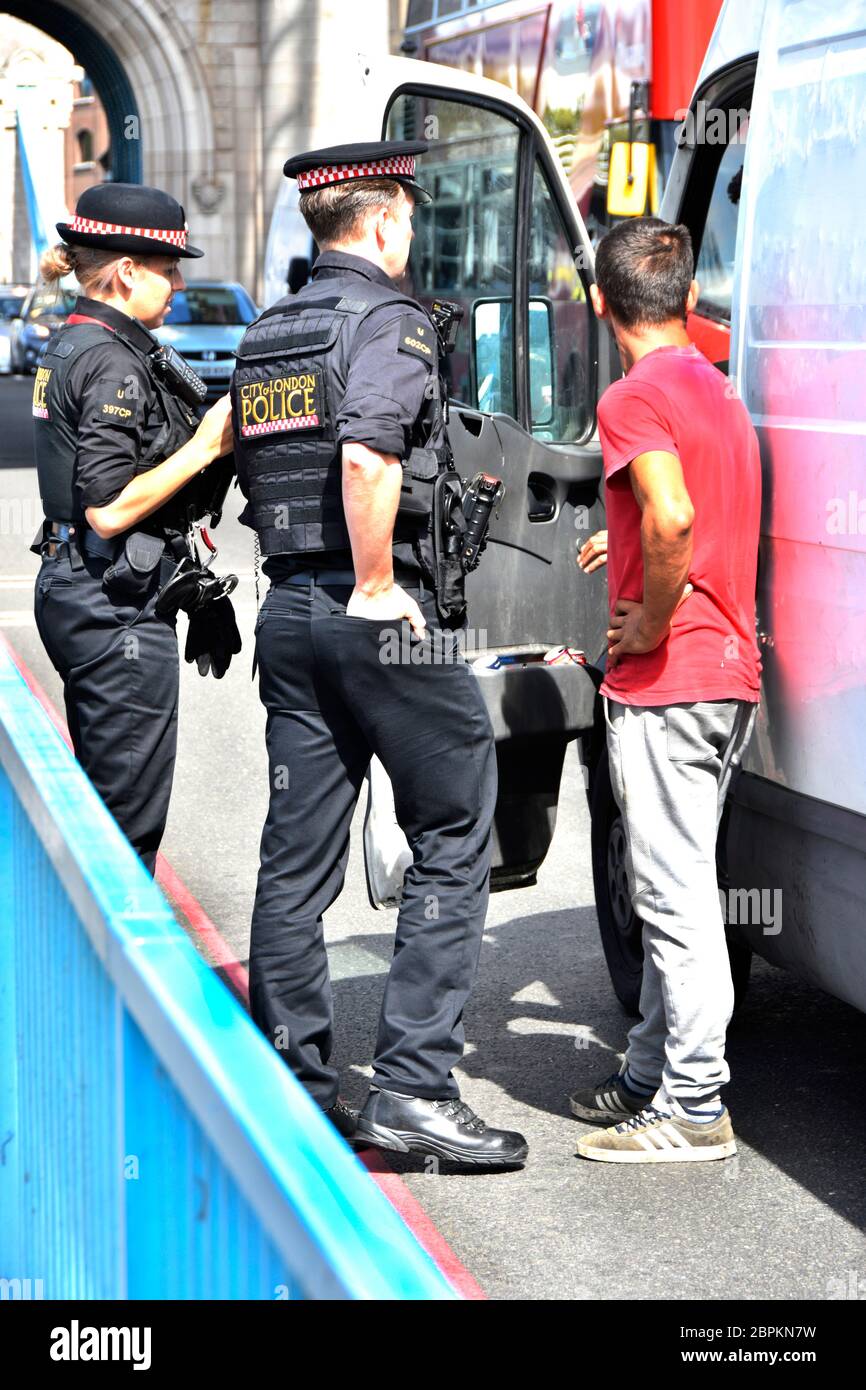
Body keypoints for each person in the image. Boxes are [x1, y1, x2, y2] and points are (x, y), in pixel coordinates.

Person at [232, 141, 527, 1165]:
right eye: (408, 217)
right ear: (385, 222)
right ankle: (411, 1088)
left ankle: (288, 1086)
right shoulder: (389, 317)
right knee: (452, 826)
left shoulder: (270, 329)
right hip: (370, 619)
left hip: (287, 614)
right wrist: (372, 584)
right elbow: (365, 449)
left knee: (294, 858)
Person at [570, 216, 761, 1162]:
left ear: (602, 305)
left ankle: (693, 1107)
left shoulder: (633, 397)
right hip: (726, 670)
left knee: (674, 896)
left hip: (672, 673)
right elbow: (693, 512)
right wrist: (636, 546)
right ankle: (652, 1070)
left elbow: (676, 513)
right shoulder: (715, 386)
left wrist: (644, 621)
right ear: (688, 300)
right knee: (676, 882)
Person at [32, 183, 238, 876]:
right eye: (167, 268)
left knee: (106, 806)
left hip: (83, 586)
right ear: (126, 271)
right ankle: (116, 976)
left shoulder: (78, 341)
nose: (177, 285)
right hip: (111, 603)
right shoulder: (113, 359)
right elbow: (108, 506)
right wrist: (207, 446)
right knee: (126, 828)